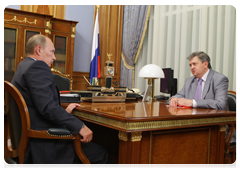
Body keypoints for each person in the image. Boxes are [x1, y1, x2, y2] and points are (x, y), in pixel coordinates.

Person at [11, 34, 112, 168]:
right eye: (52, 51)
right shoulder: (38, 67)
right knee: (102, 154)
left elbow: (38, 105)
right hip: (44, 145)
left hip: (29, 140)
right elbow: (47, 108)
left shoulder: (23, 65)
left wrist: (64, 111)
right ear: (39, 50)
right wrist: (80, 126)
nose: (54, 57)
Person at [168, 51, 237, 143]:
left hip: (216, 127)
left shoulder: (219, 79)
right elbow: (177, 96)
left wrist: (192, 102)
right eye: (190, 65)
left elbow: (221, 104)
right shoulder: (189, 81)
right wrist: (173, 99)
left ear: (205, 64)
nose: (192, 67)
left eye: (194, 64)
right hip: (193, 124)